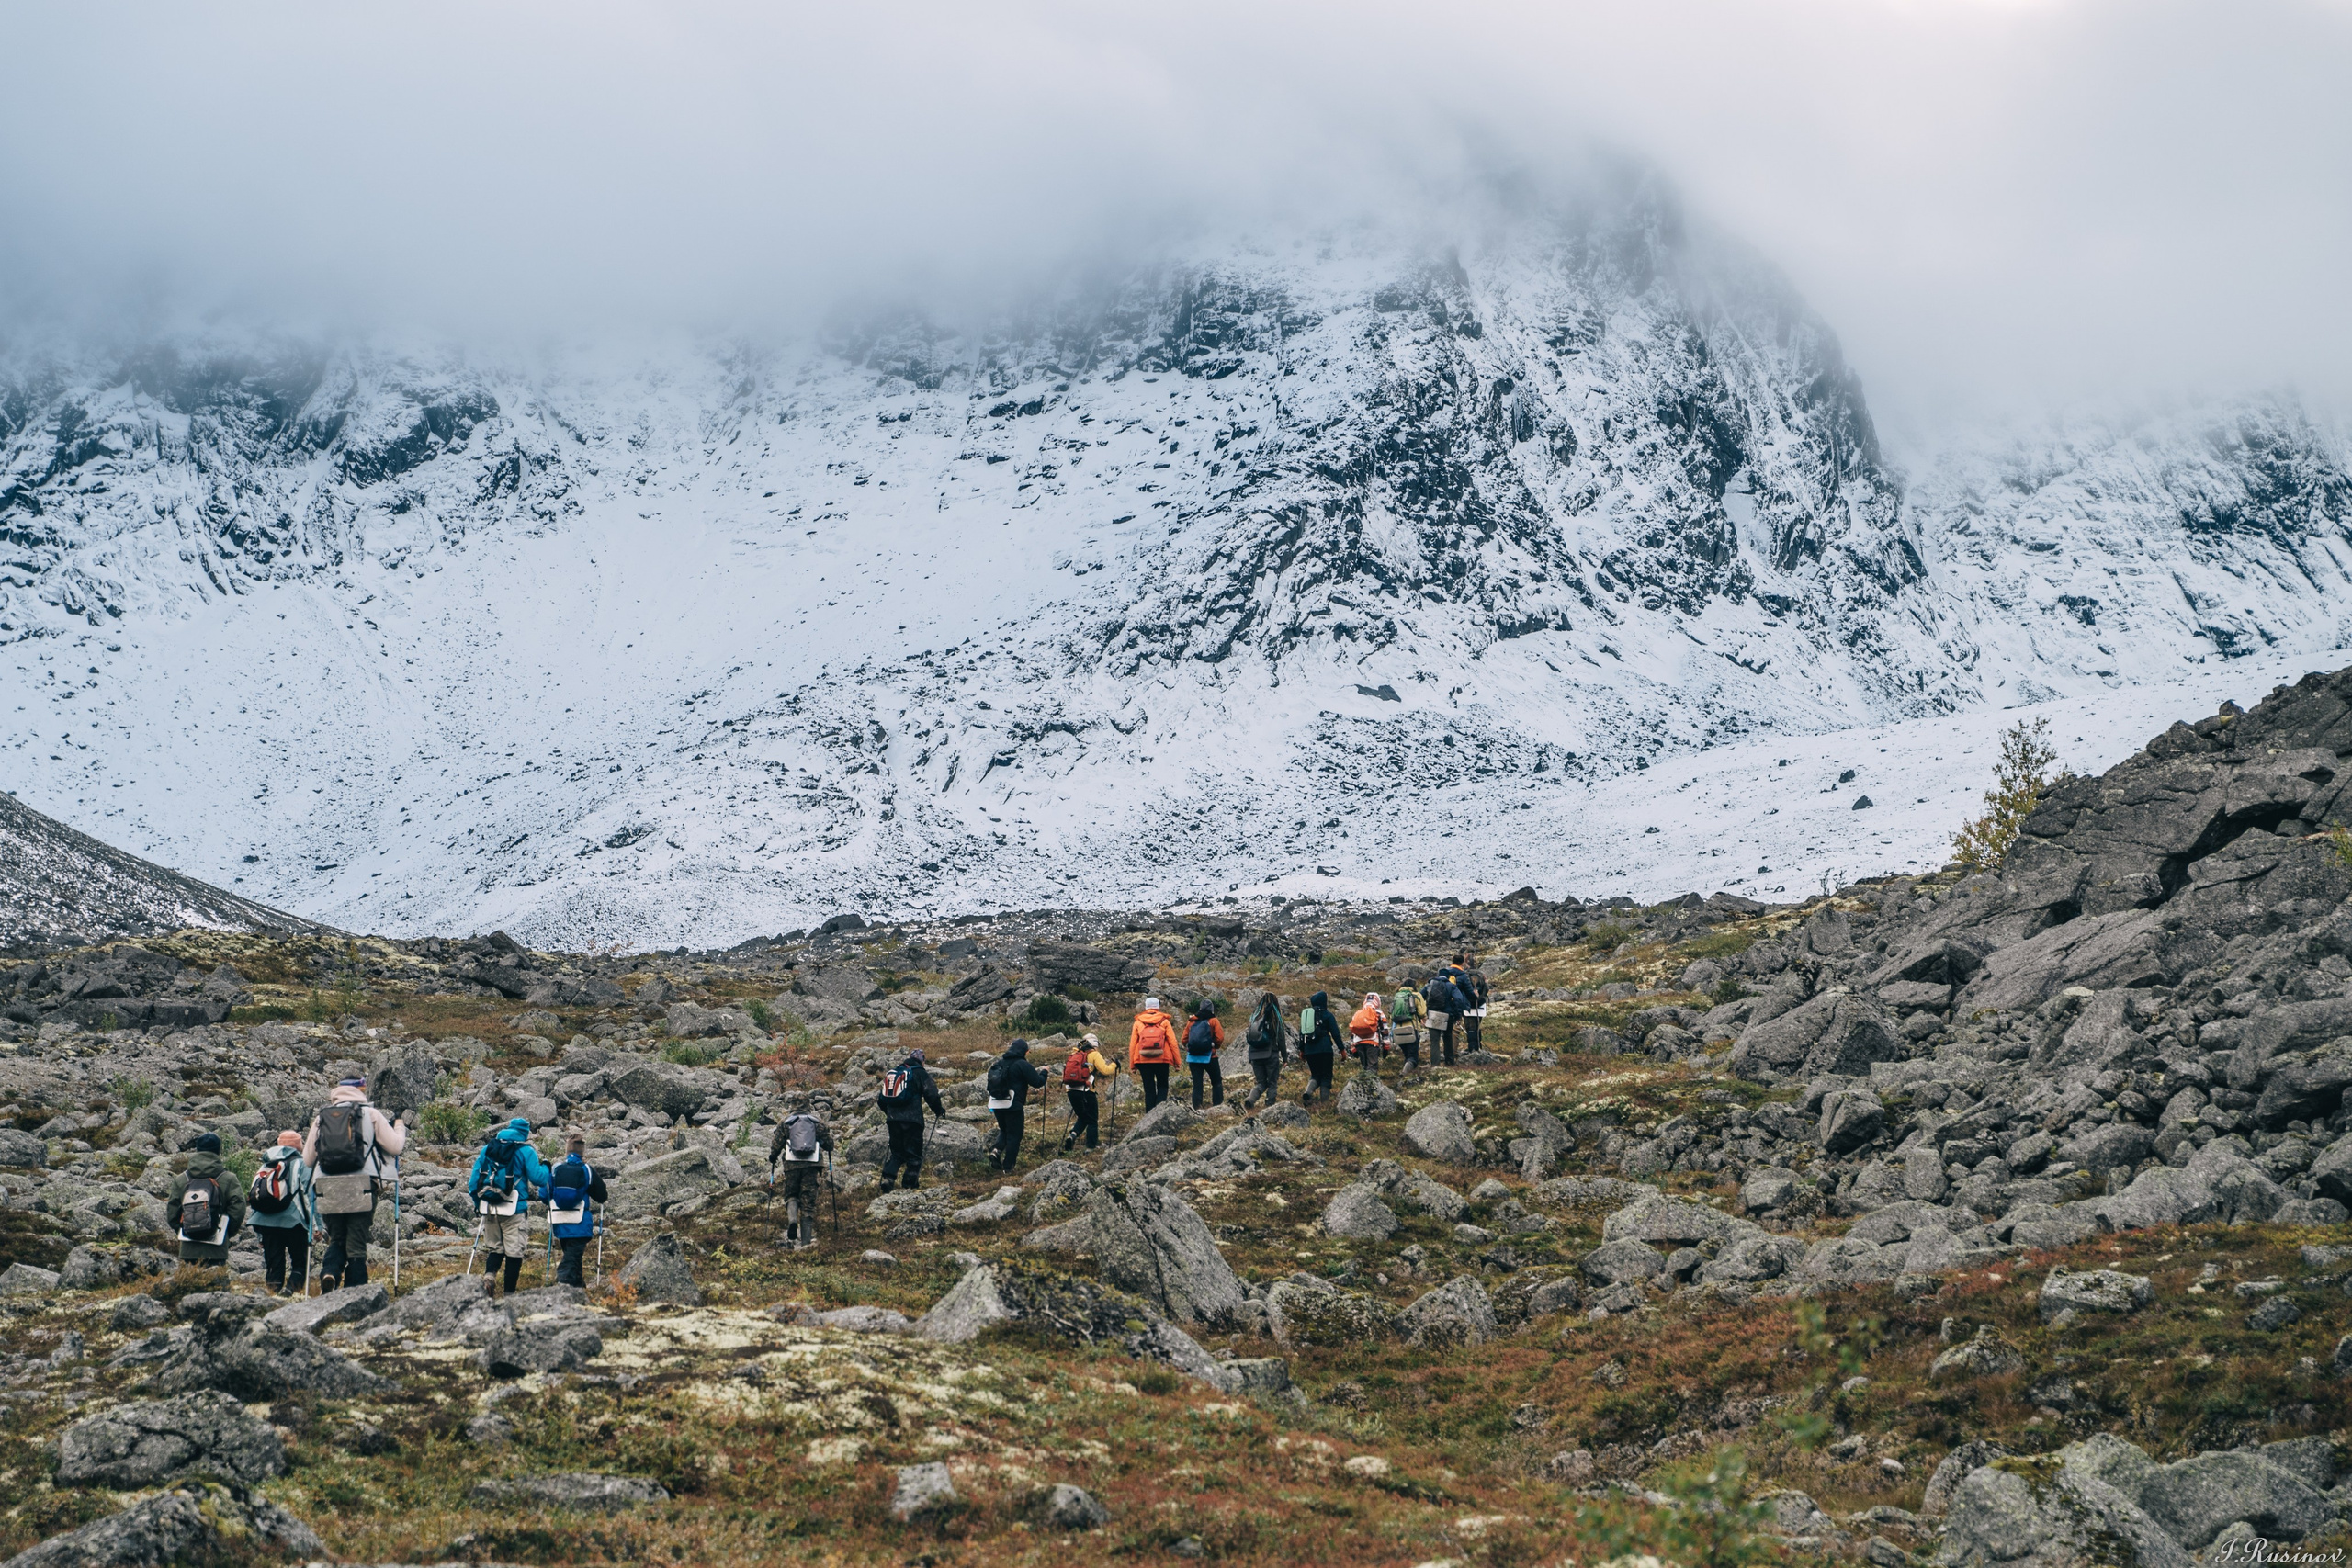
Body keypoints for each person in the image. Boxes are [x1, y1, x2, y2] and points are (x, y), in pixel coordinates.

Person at [304, 1076, 409, 1292]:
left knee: (336, 1238)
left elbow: (307, 1159)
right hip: (363, 1183)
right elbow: (396, 1147)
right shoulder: (371, 1114)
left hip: (327, 1185)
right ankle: (356, 1292)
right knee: (357, 1240)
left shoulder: (321, 1118)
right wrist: (399, 1127)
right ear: (361, 1089)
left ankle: (330, 1272)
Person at [468, 1117, 552, 1299]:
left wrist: (478, 1205)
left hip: (489, 1207)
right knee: (514, 1252)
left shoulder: (488, 1149)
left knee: (495, 1249)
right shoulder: (526, 1151)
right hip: (514, 1209)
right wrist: (546, 1167)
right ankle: (509, 1296)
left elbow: (474, 1182)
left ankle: (489, 1277)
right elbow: (539, 1178)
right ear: (525, 1133)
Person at [248, 1129, 319, 1296]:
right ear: (298, 1146)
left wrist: (259, 1235)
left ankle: (272, 1295)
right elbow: (309, 1197)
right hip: (294, 1221)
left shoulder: (265, 1165)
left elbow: (256, 1198)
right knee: (300, 1262)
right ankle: (290, 1292)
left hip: (265, 1223)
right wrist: (316, 1226)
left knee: (274, 1263)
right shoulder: (302, 1164)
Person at [167, 1131, 248, 1268]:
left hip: (188, 1248)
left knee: (188, 1286)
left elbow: (172, 1212)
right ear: (218, 1150)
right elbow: (238, 1209)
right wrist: (226, 1232)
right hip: (217, 1247)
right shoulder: (228, 1178)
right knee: (216, 1286)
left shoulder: (182, 1179)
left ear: (197, 1150)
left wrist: (184, 1229)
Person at [876, 1047, 946, 1192]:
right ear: (922, 1061)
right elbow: (931, 1093)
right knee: (914, 1155)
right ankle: (909, 1185)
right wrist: (939, 1110)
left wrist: (889, 1115)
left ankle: (888, 1178)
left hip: (893, 1120)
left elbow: (882, 1100)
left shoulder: (895, 1072)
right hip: (913, 1120)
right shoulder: (920, 1073)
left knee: (897, 1153)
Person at [768, 1100, 835, 1249]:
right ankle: (805, 1244)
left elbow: (776, 1144)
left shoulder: (786, 1122)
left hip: (791, 1165)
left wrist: (772, 1157)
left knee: (791, 1195)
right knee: (808, 1203)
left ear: (792, 1105)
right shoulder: (817, 1122)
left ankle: (792, 1220)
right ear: (808, 1105)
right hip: (812, 1166)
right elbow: (830, 1144)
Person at [546, 1134, 608, 1287]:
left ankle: (578, 1287)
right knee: (572, 1257)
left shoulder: (556, 1169)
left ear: (567, 1151)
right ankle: (564, 1282)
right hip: (580, 1222)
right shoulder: (587, 1169)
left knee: (572, 1255)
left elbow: (544, 1194)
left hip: (560, 1221)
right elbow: (601, 1196)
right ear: (582, 1152)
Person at [987, 1038, 1051, 1175]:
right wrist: (1045, 1072)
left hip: (997, 1103)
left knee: (1004, 1130)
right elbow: (1037, 1082)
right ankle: (1008, 1167)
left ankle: (996, 1151)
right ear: (1024, 1051)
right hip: (1013, 1105)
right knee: (1015, 1135)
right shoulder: (1022, 1064)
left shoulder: (1000, 1063)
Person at [1058, 1033, 1119, 1153]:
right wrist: (1115, 1065)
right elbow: (1105, 1071)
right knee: (1092, 1119)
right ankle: (1090, 1147)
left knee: (1083, 1116)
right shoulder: (1094, 1054)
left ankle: (1072, 1135)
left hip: (1071, 1091)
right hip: (1086, 1091)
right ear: (1094, 1044)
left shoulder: (1074, 1054)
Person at [1127, 997, 1182, 1111]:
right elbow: (1173, 1042)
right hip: (1162, 1059)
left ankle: (1149, 1116)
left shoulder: (1138, 1022)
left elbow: (1133, 1045)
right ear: (1158, 1007)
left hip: (1143, 1060)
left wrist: (1132, 1065)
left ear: (1146, 1007)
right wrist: (1177, 1062)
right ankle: (1159, 1112)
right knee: (1162, 1086)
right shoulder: (1164, 1021)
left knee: (1149, 1090)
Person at [1241, 995, 1290, 1108]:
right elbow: (1281, 1039)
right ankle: (1269, 1106)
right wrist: (1285, 1058)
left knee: (1260, 1083)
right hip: (1270, 1054)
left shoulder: (1254, 1018)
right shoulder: (1275, 1018)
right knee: (1272, 1083)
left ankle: (1251, 1099)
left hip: (1254, 1055)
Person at [1298, 991, 1345, 1104]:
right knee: (1326, 1076)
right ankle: (1324, 1103)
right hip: (1325, 1049)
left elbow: (1302, 1034)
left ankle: (1308, 1092)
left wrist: (1302, 1050)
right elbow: (1335, 1034)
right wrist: (1342, 1050)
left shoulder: (1307, 1017)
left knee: (1315, 1075)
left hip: (1309, 1050)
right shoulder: (1328, 1015)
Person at [1183, 999, 1226, 1109]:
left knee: (1197, 1084)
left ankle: (1197, 1107)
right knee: (1216, 1082)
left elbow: (1184, 1039)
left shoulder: (1191, 1021)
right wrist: (1213, 1046)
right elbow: (1220, 1037)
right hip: (1210, 1057)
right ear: (1212, 1009)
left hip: (1193, 1058)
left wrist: (1190, 1046)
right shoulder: (1213, 1021)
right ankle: (1217, 1105)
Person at [1450, 953, 1491, 1055]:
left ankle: (1472, 1049)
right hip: (1480, 1004)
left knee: (1470, 1027)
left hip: (1467, 1005)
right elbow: (1486, 989)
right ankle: (1478, 1046)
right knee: (1477, 1026)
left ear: (1466, 963)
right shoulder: (1482, 975)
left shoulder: (1464, 975)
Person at [1423, 972, 1464, 1067]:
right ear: (1449, 976)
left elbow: (1421, 996)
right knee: (1448, 1037)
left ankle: (1435, 1065)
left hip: (1433, 1015)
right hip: (1447, 1015)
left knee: (1434, 1041)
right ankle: (1449, 1062)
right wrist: (1457, 1014)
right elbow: (1459, 999)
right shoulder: (1451, 986)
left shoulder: (1430, 985)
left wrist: (1425, 1012)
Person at [1389, 983, 1428, 1077]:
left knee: (1406, 1054)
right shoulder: (1417, 995)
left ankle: (1406, 1073)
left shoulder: (1397, 996)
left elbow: (1391, 1015)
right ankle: (1405, 1073)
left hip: (1398, 1030)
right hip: (1411, 1029)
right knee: (1412, 1057)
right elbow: (1422, 1013)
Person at [1348, 991, 1387, 1079]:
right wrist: (1386, 1047)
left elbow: (1352, 1031)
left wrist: (1353, 1048)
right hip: (1372, 1043)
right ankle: (1371, 1087)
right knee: (1372, 1067)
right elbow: (1385, 1031)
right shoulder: (1379, 1013)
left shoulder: (1358, 1013)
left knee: (1364, 1067)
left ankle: (1363, 1086)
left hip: (1358, 1043)